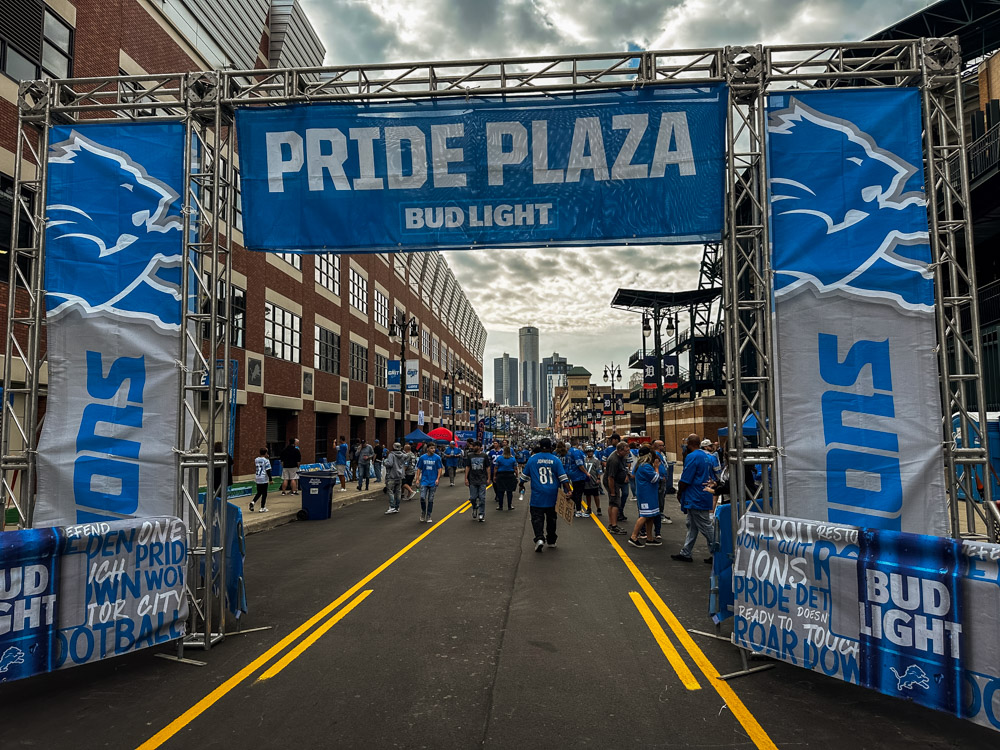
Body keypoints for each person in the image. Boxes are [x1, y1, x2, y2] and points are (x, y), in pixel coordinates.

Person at [518, 437, 571, 552]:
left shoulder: (532, 459)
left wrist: (521, 485)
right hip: (553, 494)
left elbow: (523, 477)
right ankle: (551, 540)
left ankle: (539, 538)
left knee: (537, 518)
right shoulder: (555, 460)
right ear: (551, 447)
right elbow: (563, 478)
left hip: (538, 494)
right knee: (552, 518)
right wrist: (569, 490)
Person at [672, 434, 718, 564]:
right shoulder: (707, 456)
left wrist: (680, 492)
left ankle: (718, 552)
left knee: (706, 526)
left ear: (689, 444)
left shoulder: (692, 457)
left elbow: (686, 478)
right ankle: (686, 552)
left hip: (695, 496)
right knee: (692, 525)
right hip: (703, 494)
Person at [628, 447, 663, 548]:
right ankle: (634, 536)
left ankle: (649, 538)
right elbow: (655, 478)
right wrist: (656, 467)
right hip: (646, 494)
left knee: (651, 515)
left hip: (650, 494)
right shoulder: (645, 466)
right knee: (645, 515)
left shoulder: (641, 465)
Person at [604, 441, 630, 535]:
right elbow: (610, 477)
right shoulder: (614, 460)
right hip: (612, 482)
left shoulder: (622, 456)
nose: (628, 452)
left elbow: (623, 468)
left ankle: (611, 524)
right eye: (626, 450)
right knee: (615, 503)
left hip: (617, 481)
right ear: (619, 450)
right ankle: (614, 526)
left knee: (612, 503)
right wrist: (612, 491)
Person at [414, 443, 444, 523]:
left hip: (433, 481)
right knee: (422, 497)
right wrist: (417, 479)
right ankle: (423, 512)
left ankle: (429, 514)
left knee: (430, 499)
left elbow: (439, 469)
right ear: (427, 449)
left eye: (434, 448)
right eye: (431, 448)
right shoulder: (422, 458)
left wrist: (438, 478)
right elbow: (419, 469)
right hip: (424, 480)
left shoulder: (437, 458)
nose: (433, 450)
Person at [464, 441, 492, 521]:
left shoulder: (484, 456)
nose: (473, 447)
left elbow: (488, 467)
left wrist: (488, 478)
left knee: (482, 498)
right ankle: (474, 507)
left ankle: (481, 514)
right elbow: (468, 467)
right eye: (473, 446)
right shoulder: (470, 456)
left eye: (475, 446)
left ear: (479, 447)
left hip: (482, 479)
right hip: (472, 479)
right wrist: (466, 478)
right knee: (473, 497)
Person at [564, 439, 589, 518]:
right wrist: (586, 473)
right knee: (578, 493)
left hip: (572, 473)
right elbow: (579, 464)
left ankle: (575, 508)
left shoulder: (569, 451)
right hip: (578, 475)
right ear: (578, 443)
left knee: (576, 491)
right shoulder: (576, 452)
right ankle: (578, 510)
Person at [492, 446, 519, 512]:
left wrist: (494, 476)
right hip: (510, 475)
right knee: (509, 491)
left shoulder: (499, 458)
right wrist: (517, 476)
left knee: (500, 491)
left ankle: (500, 506)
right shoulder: (513, 459)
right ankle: (509, 505)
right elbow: (515, 468)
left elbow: (496, 468)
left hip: (501, 475)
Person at [383, 442, 407, 514]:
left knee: (390, 491)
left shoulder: (391, 455)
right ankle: (397, 507)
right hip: (399, 475)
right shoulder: (403, 455)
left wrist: (384, 462)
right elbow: (406, 457)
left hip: (391, 475)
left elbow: (389, 464)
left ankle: (392, 506)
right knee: (398, 492)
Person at [582, 445, 603, 517]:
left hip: (594, 479)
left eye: (591, 452)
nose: (590, 453)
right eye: (588, 452)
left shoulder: (596, 460)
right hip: (586, 481)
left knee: (596, 495)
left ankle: (598, 508)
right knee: (588, 495)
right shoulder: (584, 460)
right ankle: (589, 508)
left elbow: (599, 470)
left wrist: (598, 478)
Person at [249, 448, 271, 513]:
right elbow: (268, 470)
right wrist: (270, 479)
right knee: (264, 493)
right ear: (266, 453)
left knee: (259, 492)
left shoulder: (256, 459)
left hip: (258, 477)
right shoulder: (266, 460)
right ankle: (262, 507)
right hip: (264, 477)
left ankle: (253, 502)